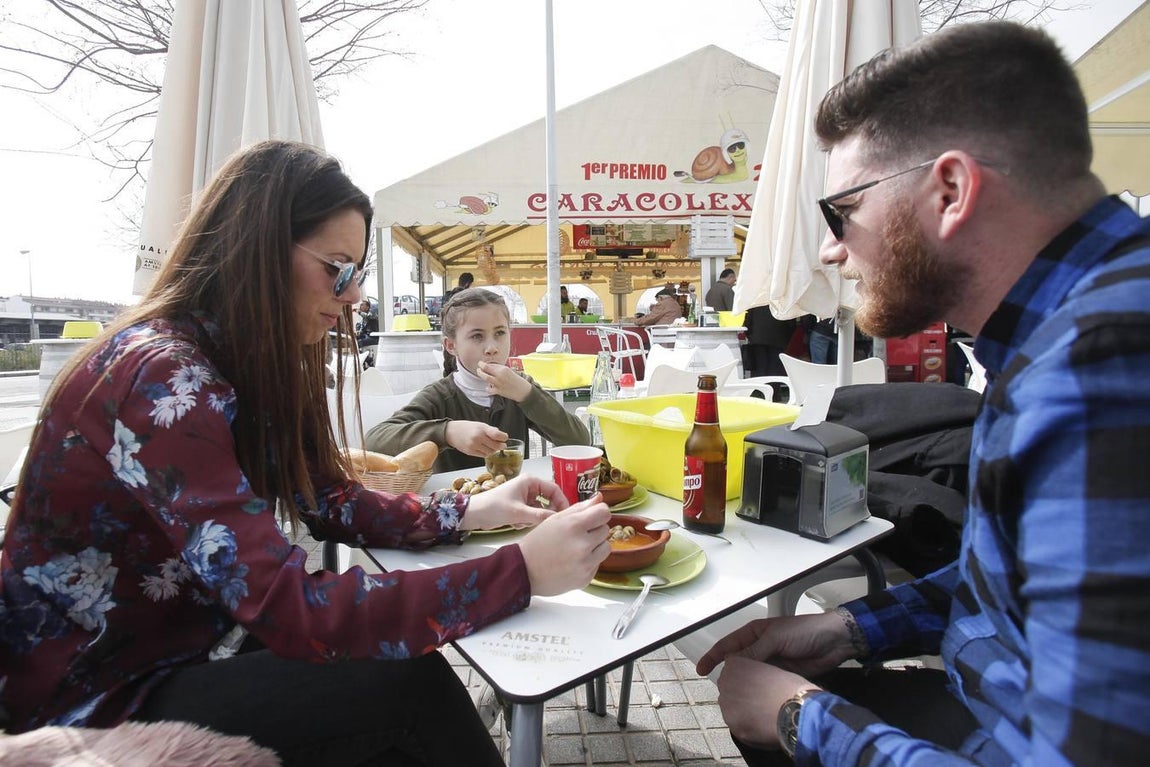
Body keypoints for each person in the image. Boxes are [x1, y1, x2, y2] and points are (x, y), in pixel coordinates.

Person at [0, 140, 613, 766]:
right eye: (338, 268)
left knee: (400, 679)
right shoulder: (162, 377)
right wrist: (520, 571)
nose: (353, 297)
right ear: (258, 251)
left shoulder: (243, 362)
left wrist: (471, 515)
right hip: (94, 692)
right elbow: (289, 606)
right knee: (408, 689)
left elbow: (331, 500)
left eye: (358, 276)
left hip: (192, 640)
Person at [699, 21, 1150, 766]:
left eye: (841, 210)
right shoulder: (1064, 330)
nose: (829, 249)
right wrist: (851, 629)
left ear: (950, 189)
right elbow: (1008, 589)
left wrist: (800, 719)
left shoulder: (1099, 373)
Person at [364, 288, 591, 473]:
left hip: (514, 508)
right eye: (477, 336)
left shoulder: (519, 387)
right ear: (451, 345)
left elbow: (580, 441)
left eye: (500, 333)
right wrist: (448, 432)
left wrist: (527, 394)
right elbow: (373, 441)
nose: (492, 348)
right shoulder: (440, 396)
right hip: (456, 516)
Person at [741, 306, 794, 378]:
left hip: (757, 337)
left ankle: (759, 388)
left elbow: (748, 319)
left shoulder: (756, 297)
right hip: (778, 337)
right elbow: (790, 320)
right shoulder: (781, 297)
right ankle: (773, 388)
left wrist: (750, 335)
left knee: (759, 369)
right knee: (775, 371)